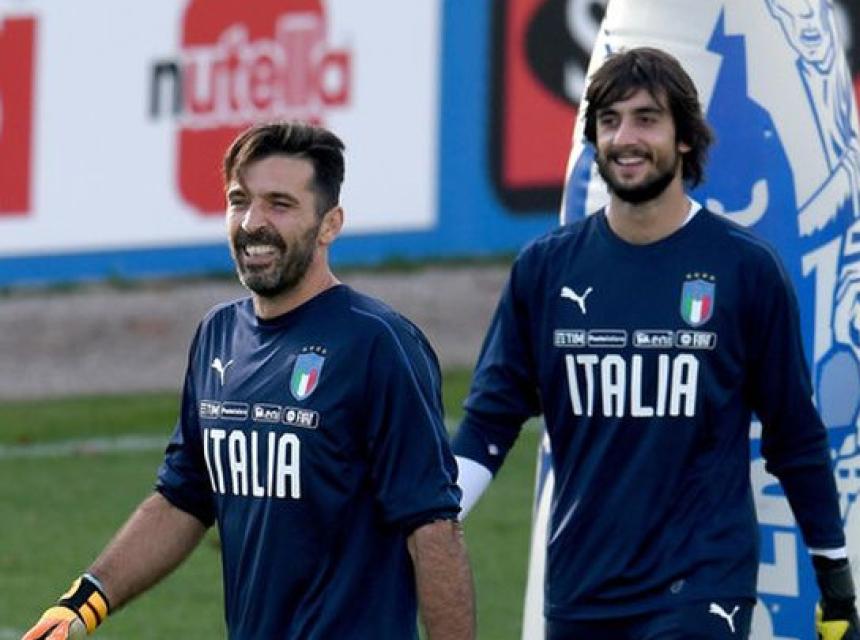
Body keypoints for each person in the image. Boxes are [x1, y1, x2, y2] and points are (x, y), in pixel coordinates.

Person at [452, 47, 858, 639]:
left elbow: (794, 435)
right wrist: (435, 520)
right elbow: (489, 422)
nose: (626, 138)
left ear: (684, 137)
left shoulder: (744, 269)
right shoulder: (544, 270)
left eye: (646, 119)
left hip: (701, 587)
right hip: (580, 589)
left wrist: (835, 578)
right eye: (610, 120)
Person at [22, 122, 476, 640]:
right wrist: (83, 604)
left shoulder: (377, 344)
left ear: (329, 225)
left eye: (280, 205)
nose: (253, 223)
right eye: (240, 201)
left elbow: (434, 528)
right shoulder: (218, 335)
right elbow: (183, 498)